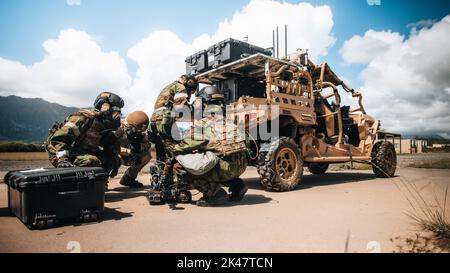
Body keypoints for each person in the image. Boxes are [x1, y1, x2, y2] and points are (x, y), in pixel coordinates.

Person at [172, 86, 248, 207]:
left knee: (179, 165)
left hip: (225, 169)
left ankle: (215, 194)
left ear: (203, 105)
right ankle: (238, 186)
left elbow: (185, 144)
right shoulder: (230, 123)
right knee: (221, 159)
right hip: (241, 166)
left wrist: (173, 149)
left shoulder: (203, 124)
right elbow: (246, 143)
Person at [45, 92, 124, 182]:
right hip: (60, 152)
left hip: (81, 151)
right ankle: (82, 183)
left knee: (114, 161)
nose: (117, 116)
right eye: (116, 112)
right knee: (92, 160)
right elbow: (59, 139)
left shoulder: (104, 124)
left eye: (119, 113)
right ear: (105, 107)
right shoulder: (83, 118)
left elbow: (111, 148)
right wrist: (63, 160)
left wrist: (114, 147)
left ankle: (99, 182)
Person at [149, 74, 198, 160]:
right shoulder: (180, 87)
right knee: (175, 149)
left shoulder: (171, 86)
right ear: (189, 83)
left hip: (157, 119)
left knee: (162, 146)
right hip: (165, 119)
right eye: (191, 91)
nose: (190, 93)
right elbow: (182, 108)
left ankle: (161, 167)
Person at [115, 111, 152, 189]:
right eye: (134, 130)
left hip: (129, 156)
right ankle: (102, 181)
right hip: (115, 154)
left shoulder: (140, 132)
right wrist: (130, 152)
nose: (137, 132)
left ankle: (128, 179)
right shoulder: (117, 127)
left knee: (146, 156)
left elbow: (147, 145)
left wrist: (138, 148)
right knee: (109, 156)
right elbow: (109, 146)